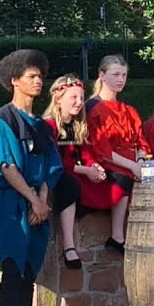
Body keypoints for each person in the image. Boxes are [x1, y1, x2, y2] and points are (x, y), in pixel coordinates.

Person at [0, 49, 64, 306]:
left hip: (35, 204)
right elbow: (5, 165)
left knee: (28, 275)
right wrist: (32, 199)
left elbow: (49, 166)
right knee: (13, 273)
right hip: (11, 206)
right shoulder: (0, 122)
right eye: (31, 76)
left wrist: (42, 199)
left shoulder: (41, 127)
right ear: (15, 81)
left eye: (40, 76)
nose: (38, 81)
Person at [85, 55, 150, 252]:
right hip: (108, 162)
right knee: (125, 178)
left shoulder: (128, 109)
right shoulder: (92, 107)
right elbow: (101, 149)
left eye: (123, 75)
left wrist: (140, 160)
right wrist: (133, 166)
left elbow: (140, 140)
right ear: (102, 76)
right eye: (115, 74)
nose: (120, 79)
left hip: (134, 161)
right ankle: (117, 236)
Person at [44, 74, 107, 270]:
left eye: (81, 97)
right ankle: (69, 246)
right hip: (55, 173)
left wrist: (95, 167)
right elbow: (55, 161)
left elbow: (86, 154)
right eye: (74, 97)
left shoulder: (78, 125)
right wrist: (85, 170)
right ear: (58, 99)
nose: (80, 102)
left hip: (76, 170)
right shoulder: (49, 125)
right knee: (69, 185)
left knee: (112, 183)